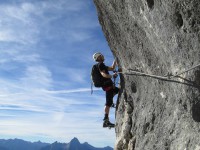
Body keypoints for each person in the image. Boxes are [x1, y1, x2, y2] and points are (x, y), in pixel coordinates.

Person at [93, 52, 119, 127]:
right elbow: (103, 74)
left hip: (109, 87)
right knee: (108, 103)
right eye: (101, 55)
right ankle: (106, 121)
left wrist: (115, 60)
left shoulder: (102, 65)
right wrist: (111, 76)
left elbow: (112, 68)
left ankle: (110, 102)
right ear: (99, 58)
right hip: (108, 87)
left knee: (118, 91)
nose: (103, 56)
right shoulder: (100, 65)